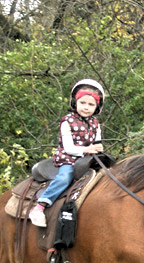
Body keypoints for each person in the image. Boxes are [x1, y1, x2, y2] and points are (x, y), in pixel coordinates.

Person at [29, 78, 105, 227]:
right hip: (69, 158)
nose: (86, 107)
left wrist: (98, 148)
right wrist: (86, 149)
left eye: (91, 104)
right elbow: (69, 147)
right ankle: (40, 206)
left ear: (96, 107)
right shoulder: (67, 122)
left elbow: (97, 141)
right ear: (74, 103)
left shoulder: (96, 123)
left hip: (88, 158)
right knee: (65, 177)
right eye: (82, 103)